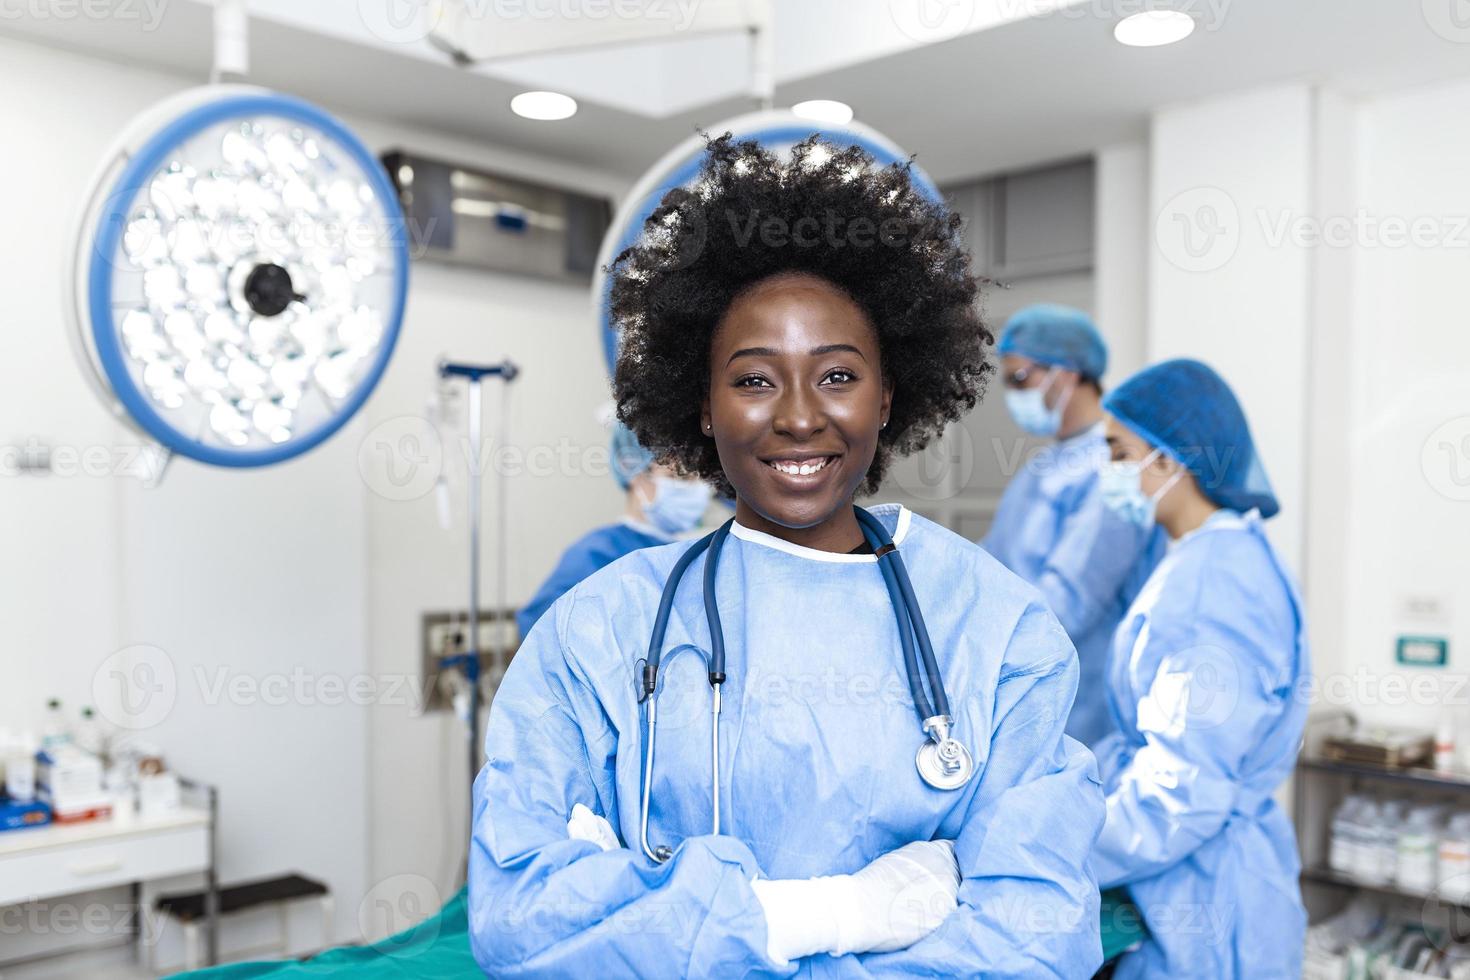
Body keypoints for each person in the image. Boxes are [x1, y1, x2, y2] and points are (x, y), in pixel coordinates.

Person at [469, 133, 1104, 976]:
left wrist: (666, 921)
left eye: (838, 376)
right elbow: (520, 914)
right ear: (702, 407)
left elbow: (1034, 938)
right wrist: (838, 912)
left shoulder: (996, 631)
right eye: (755, 379)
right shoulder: (597, 634)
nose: (800, 417)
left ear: (888, 397)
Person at [1089, 359, 1309, 978]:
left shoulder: (1212, 586)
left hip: (1203, 903)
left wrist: (1060, 846)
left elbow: (1182, 793)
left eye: (1116, 452)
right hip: (1205, 882)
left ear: (1168, 460)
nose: (1107, 473)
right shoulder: (1222, 555)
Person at [982, 304, 1164, 746]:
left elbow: (1068, 605)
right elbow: (986, 566)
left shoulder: (1115, 467)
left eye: (1020, 379)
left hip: (1079, 704)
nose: (1012, 394)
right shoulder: (1044, 467)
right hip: (1020, 684)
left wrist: (986, 649)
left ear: (1065, 373)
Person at [515, 423, 713, 638]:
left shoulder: (696, 556)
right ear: (634, 470)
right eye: (678, 478)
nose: (694, 490)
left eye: (695, 478)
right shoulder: (596, 554)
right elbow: (541, 633)